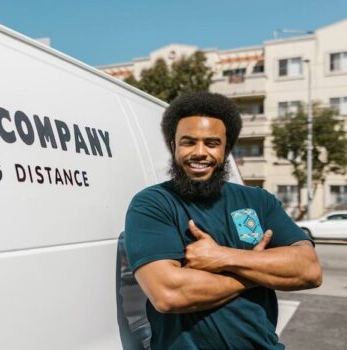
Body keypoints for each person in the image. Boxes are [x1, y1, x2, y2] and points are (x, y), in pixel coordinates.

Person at [123, 92, 322, 350]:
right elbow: (168, 293)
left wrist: (224, 257)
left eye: (212, 143)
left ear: (226, 149)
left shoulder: (259, 201)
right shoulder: (153, 203)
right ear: (173, 146)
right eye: (188, 142)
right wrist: (256, 274)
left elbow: (309, 269)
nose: (199, 153)